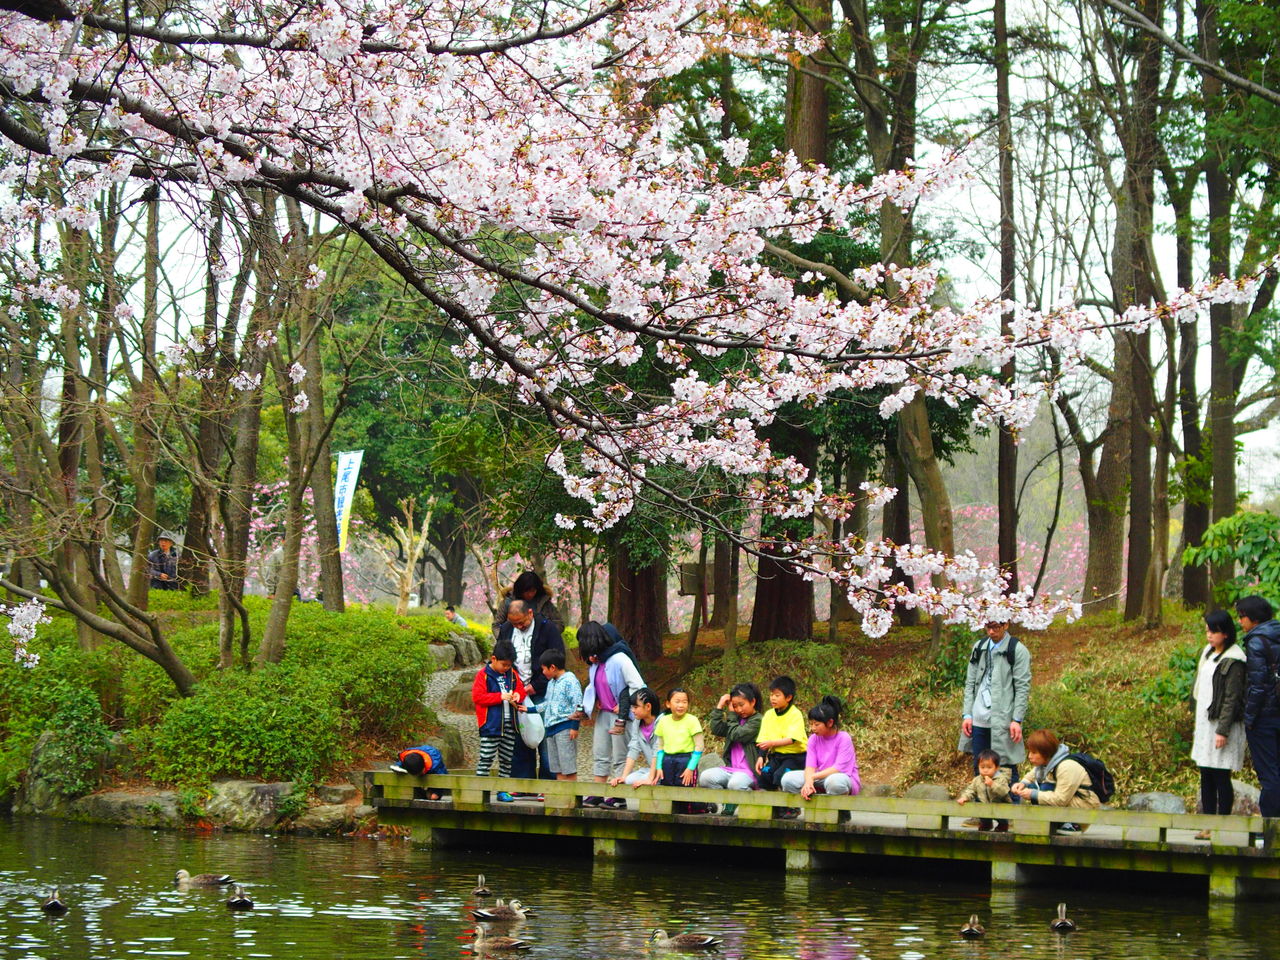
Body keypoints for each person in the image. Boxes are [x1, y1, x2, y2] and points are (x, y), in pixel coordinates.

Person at [957, 620, 1031, 805]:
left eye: (996, 627)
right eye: (987, 627)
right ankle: (981, 814)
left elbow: (1022, 687)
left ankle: (1012, 811)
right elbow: (970, 682)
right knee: (980, 766)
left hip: (1003, 718)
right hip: (978, 717)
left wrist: (1017, 719)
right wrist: (967, 714)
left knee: (1006, 765)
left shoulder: (1017, 649)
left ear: (1006, 625)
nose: (991, 632)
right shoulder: (980, 647)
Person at [494, 597, 565, 783]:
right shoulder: (507, 629)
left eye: (522, 622)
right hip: (516, 691)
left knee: (544, 735)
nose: (519, 626)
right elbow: (499, 656)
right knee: (520, 736)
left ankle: (547, 781)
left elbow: (558, 658)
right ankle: (522, 781)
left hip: (542, 690)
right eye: (514, 623)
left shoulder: (547, 628)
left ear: (530, 614)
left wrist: (536, 685)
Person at [1189, 609, 1246, 837]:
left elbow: (1232, 698)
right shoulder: (1208, 653)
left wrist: (1222, 730)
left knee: (1221, 774)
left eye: (1214, 631)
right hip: (1205, 722)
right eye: (1207, 631)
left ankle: (1221, 826)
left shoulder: (1235, 659)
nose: (1209, 635)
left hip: (1223, 725)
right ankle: (1207, 825)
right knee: (1206, 773)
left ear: (1225, 632)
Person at [578, 620, 645, 805]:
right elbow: (595, 685)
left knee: (619, 756)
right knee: (600, 754)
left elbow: (639, 686)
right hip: (603, 714)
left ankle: (619, 795)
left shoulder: (619, 659)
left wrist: (624, 705)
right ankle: (598, 793)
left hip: (620, 716)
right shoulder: (596, 662)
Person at [779, 695, 860, 819]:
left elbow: (838, 768)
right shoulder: (813, 739)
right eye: (811, 724)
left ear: (830, 722)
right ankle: (795, 808)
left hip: (841, 777)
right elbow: (810, 766)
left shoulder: (844, 738)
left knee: (834, 782)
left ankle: (841, 808)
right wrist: (808, 781)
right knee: (787, 779)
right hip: (818, 777)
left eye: (816, 724)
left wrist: (811, 778)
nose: (813, 728)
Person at [1009, 728, 1100, 832]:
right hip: (1068, 804)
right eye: (1029, 752)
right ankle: (1049, 823)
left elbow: (1061, 799)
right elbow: (1033, 774)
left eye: (1034, 753)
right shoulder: (1048, 764)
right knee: (1032, 787)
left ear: (1046, 753)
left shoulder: (1066, 766)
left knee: (1044, 788)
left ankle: (1070, 824)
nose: (1029, 756)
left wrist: (1033, 794)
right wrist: (1022, 783)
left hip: (1083, 810)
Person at [1239, 595, 1280, 818]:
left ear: (1253, 618)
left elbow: (1258, 685)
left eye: (1242, 616)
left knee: (1269, 774)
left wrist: (1249, 718)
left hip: (1265, 717)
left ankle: (1271, 828)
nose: (1239, 622)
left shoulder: (1256, 641)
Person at [471, 637, 527, 796]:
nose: (506, 668)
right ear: (494, 659)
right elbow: (478, 697)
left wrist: (517, 695)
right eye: (504, 665)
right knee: (486, 758)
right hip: (491, 725)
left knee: (506, 760)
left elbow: (521, 690)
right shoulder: (483, 675)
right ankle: (481, 791)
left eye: (509, 665)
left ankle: (503, 790)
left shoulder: (512, 674)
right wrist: (499, 697)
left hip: (509, 724)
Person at [645, 687, 708, 813]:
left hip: (686, 760)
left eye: (684, 702)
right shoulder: (663, 720)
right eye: (677, 701)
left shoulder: (692, 720)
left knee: (686, 795)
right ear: (668, 703)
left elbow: (699, 746)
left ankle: (705, 806)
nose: (681, 705)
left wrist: (691, 767)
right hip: (667, 760)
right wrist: (659, 767)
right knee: (668, 793)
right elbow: (660, 746)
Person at [702, 682, 763, 800]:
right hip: (731, 769)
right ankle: (728, 802)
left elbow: (736, 735)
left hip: (749, 772)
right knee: (705, 777)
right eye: (735, 706)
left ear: (753, 702)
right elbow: (717, 729)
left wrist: (731, 714)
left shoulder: (758, 721)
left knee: (735, 784)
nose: (739, 710)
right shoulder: (735, 720)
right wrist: (719, 706)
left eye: (741, 704)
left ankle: (753, 800)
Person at [528, 649, 583, 781]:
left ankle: (571, 797)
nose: (543, 672)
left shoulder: (570, 681)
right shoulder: (551, 683)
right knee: (556, 766)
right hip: (551, 728)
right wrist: (529, 709)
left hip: (565, 727)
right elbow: (547, 703)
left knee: (568, 765)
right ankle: (560, 797)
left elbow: (578, 705)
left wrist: (574, 726)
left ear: (552, 667)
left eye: (544, 669)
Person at [755, 676, 808, 791]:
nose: (772, 698)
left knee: (780, 776)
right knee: (764, 776)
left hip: (795, 758)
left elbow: (792, 739)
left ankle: (790, 808)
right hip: (777, 756)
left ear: (788, 697)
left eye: (777, 695)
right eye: (771, 695)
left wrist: (771, 743)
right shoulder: (769, 715)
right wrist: (761, 757)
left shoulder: (795, 714)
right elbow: (764, 739)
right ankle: (773, 808)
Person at [609, 688, 662, 802]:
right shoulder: (637, 723)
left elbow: (657, 751)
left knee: (644, 780)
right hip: (651, 769)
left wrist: (650, 777)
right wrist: (623, 777)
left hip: (663, 770)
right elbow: (633, 749)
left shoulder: (662, 722)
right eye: (632, 707)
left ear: (648, 707)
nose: (632, 710)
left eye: (635, 707)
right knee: (629, 780)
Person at [491, 570, 565, 638]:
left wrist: (546, 637)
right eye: (527, 591)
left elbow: (559, 624)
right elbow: (497, 625)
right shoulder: (508, 602)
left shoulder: (544, 602)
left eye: (533, 591)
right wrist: (505, 641)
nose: (530, 594)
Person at [956, 748, 1012, 831]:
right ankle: (987, 824)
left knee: (1001, 817)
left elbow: (1004, 791)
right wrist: (965, 797)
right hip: (985, 804)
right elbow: (971, 790)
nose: (985, 770)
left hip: (1000, 804)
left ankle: (1003, 825)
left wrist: (992, 784)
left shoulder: (1001, 779)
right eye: (982, 767)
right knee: (982, 812)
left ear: (996, 768)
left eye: (989, 767)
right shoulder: (977, 780)